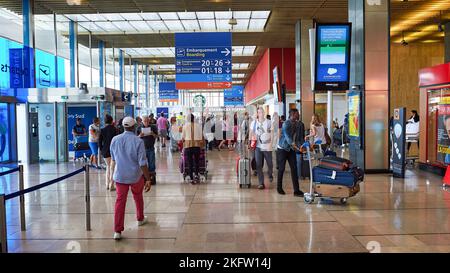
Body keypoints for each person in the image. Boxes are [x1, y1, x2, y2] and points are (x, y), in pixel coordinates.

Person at [110, 117, 152, 240]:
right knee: (138, 197)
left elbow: (113, 157)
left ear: (123, 126)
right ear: (134, 127)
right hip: (135, 176)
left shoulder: (115, 140)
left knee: (120, 202)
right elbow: (142, 163)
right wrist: (148, 179)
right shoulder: (138, 141)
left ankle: (117, 231)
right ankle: (140, 218)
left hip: (120, 176)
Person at [277, 108, 304, 197]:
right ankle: (279, 188)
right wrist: (297, 147)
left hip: (291, 149)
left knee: (294, 168)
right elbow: (288, 139)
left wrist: (302, 146)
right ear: (292, 115)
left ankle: (296, 191)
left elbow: (299, 137)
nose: (299, 115)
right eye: (297, 114)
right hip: (283, 148)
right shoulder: (286, 124)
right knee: (281, 169)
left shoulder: (297, 124)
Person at [250, 107, 274, 189]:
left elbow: (272, 134)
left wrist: (272, 144)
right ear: (257, 114)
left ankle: (270, 174)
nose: (260, 114)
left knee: (270, 164)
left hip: (267, 147)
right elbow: (251, 133)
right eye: (259, 112)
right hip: (258, 147)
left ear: (264, 113)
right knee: (259, 165)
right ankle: (261, 183)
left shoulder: (269, 122)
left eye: (262, 112)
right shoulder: (254, 123)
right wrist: (252, 139)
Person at [182, 114, 204, 184]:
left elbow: (183, 137)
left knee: (190, 162)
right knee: (197, 161)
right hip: (197, 146)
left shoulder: (185, 126)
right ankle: (197, 175)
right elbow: (201, 136)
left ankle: (191, 177)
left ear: (187, 119)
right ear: (193, 118)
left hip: (188, 146)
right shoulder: (198, 126)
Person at [137, 116, 158, 185]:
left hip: (151, 147)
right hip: (142, 149)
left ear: (149, 121)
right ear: (142, 121)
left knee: (151, 163)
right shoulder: (139, 128)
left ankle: (152, 178)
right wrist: (140, 136)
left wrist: (152, 134)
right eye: (145, 121)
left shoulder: (153, 127)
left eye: (147, 121)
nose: (146, 122)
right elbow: (135, 139)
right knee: (142, 163)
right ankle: (144, 178)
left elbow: (157, 137)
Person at [99, 114, 117, 191]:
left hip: (105, 151)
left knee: (108, 167)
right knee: (113, 168)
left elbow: (99, 142)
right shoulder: (115, 129)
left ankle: (107, 184)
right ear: (112, 121)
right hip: (114, 151)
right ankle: (111, 185)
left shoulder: (102, 130)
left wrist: (102, 149)